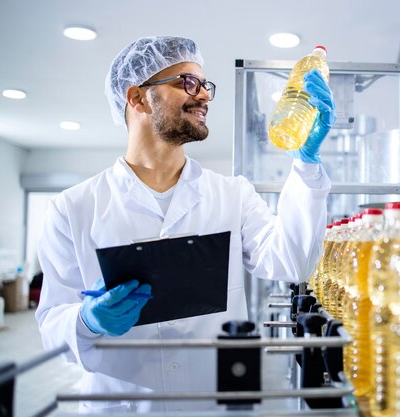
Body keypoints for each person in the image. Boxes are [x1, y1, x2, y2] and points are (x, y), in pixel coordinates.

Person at [35, 35, 334, 412]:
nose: (204, 95)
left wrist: (306, 163)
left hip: (211, 403)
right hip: (121, 405)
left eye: (205, 85)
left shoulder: (232, 195)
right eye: (187, 82)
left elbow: (293, 262)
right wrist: (88, 320)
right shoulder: (73, 207)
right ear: (138, 97)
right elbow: (52, 324)